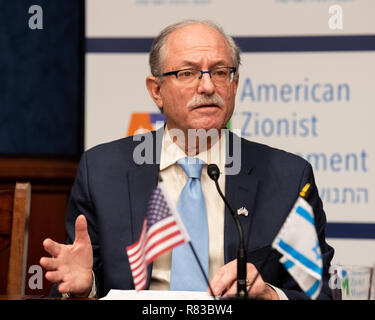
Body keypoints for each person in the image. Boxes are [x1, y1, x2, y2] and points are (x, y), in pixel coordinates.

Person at [40, 19, 334, 300]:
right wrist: (86, 285)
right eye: (187, 73)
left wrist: (270, 293)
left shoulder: (288, 178)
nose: (207, 87)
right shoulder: (102, 171)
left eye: (220, 72)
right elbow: (83, 278)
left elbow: (316, 292)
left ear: (235, 84)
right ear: (156, 91)